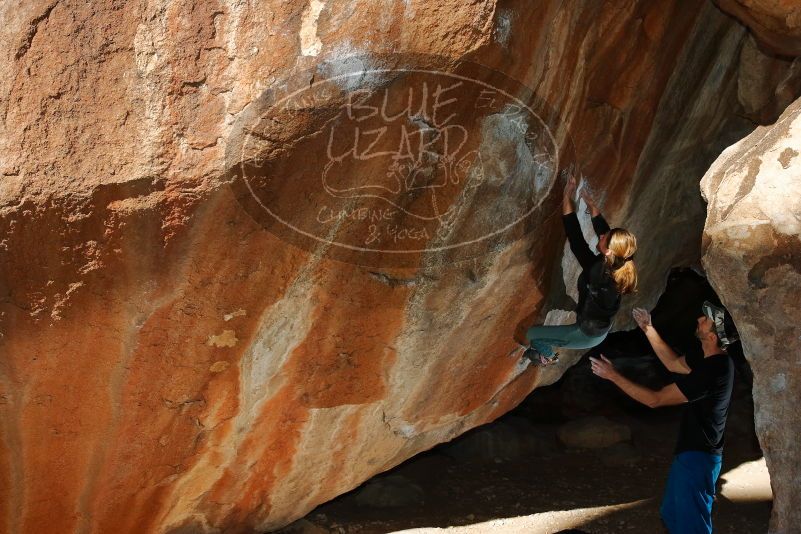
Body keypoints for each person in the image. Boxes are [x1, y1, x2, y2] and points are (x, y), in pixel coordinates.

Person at [590, 301, 739, 534]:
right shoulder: (707, 359)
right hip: (691, 454)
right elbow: (672, 363)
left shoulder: (716, 368)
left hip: (699, 457)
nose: (699, 319)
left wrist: (613, 376)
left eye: (705, 320)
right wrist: (648, 328)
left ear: (712, 336)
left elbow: (655, 399)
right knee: (671, 514)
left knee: (693, 526)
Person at [522, 173, 638, 366]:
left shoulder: (599, 273)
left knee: (532, 334)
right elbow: (605, 231)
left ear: (609, 251)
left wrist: (566, 197)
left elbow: (576, 238)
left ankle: (547, 356)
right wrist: (591, 204)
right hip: (599, 326)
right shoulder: (623, 257)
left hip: (586, 333)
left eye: (603, 238)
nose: (600, 236)